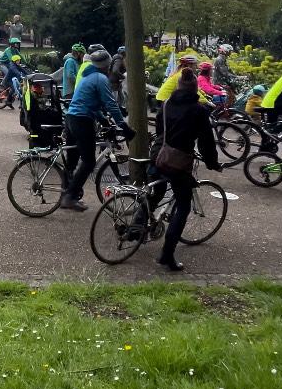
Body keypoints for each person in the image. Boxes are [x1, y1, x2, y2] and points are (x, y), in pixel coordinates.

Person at [149, 69, 222, 272]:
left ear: (178, 87)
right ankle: (167, 254)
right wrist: (212, 163)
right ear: (195, 89)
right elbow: (206, 143)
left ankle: (136, 227)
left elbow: (160, 132)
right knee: (183, 206)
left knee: (156, 192)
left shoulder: (165, 105)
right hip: (177, 162)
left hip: (157, 156)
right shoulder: (199, 111)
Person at [61, 50, 134, 211]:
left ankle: (66, 192)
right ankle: (70, 197)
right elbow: (110, 103)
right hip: (83, 121)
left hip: (71, 119)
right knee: (89, 161)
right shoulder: (100, 78)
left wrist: (103, 120)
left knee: (72, 162)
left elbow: (89, 104)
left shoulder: (87, 76)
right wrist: (124, 126)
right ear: (106, 65)